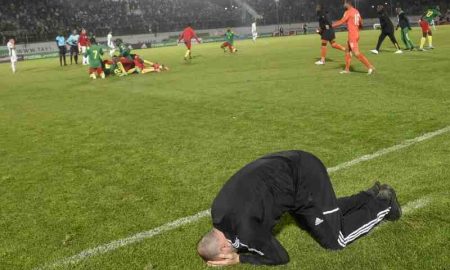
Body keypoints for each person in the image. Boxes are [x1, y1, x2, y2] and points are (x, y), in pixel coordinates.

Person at [198, 150, 401, 266]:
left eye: (224, 255)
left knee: (336, 240)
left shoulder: (246, 230)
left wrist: (239, 259)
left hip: (305, 177)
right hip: (285, 169)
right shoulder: (217, 210)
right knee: (313, 223)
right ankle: (369, 194)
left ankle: (384, 203)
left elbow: (280, 257)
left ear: (224, 247)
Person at [332, 1, 374, 74]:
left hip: (352, 35)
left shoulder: (348, 12)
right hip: (356, 34)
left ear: (348, 4)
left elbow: (342, 21)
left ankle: (370, 66)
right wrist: (358, 28)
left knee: (356, 53)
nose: (343, 5)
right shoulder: (356, 11)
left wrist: (331, 25)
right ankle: (347, 69)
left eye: (344, 3)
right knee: (347, 50)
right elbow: (361, 22)